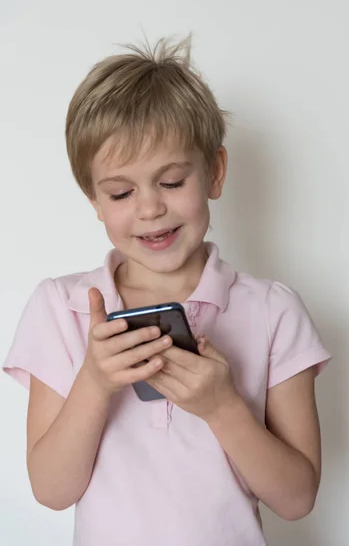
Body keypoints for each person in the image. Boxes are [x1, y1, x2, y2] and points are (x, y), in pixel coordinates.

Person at [3, 36, 331, 546]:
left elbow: (296, 499)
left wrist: (223, 406)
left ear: (215, 172)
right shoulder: (60, 308)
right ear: (94, 200)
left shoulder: (273, 311)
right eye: (121, 192)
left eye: (172, 181)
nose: (150, 208)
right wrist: (93, 381)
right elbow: (51, 490)